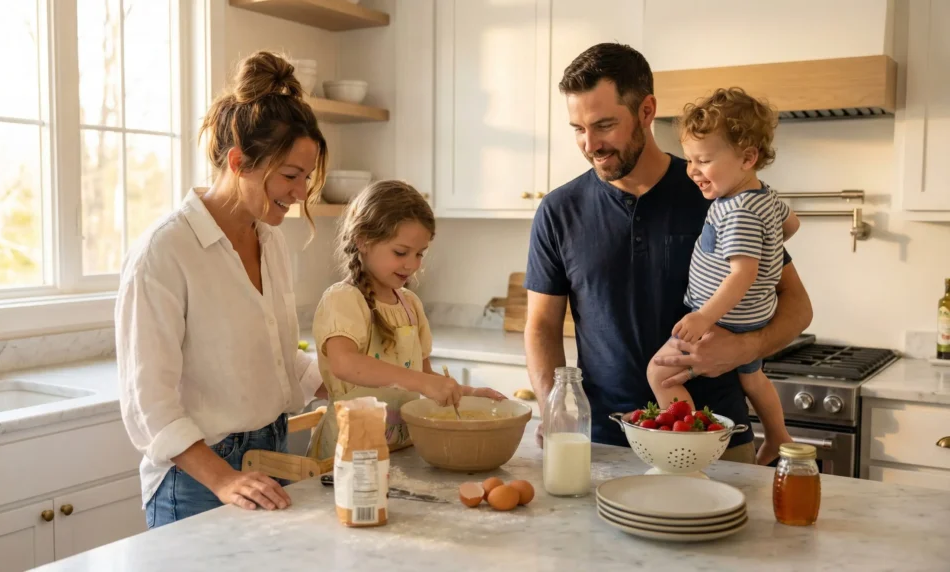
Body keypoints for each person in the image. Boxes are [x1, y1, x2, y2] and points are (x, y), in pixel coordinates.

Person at [524, 43, 813, 463]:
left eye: (604, 125)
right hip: (605, 442)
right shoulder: (558, 211)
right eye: (578, 128)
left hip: (718, 441)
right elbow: (541, 327)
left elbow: (798, 307)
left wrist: (746, 348)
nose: (590, 144)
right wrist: (555, 411)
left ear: (646, 111)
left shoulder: (719, 193)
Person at [115, 51, 329, 528]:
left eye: (306, 179)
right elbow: (148, 403)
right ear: (238, 162)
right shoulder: (164, 252)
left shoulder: (270, 241)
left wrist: (353, 377)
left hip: (270, 459)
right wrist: (223, 479)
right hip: (197, 479)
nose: (301, 193)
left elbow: (272, 354)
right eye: (291, 176)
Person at [647, 87, 797, 464]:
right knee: (752, 377)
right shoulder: (765, 196)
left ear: (748, 158)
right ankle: (778, 434)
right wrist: (768, 248)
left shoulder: (738, 211)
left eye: (705, 160)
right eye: (690, 159)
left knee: (661, 374)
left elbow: (742, 275)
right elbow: (792, 224)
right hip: (752, 317)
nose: (693, 170)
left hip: (726, 320)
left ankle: (692, 442)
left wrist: (704, 317)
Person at [308, 180, 505, 459]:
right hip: (346, 458)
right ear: (363, 240)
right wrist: (421, 383)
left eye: (419, 254)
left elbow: (423, 375)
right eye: (400, 252)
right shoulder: (344, 299)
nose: (412, 264)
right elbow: (346, 364)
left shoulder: (410, 304)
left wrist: (466, 392)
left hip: (399, 451)